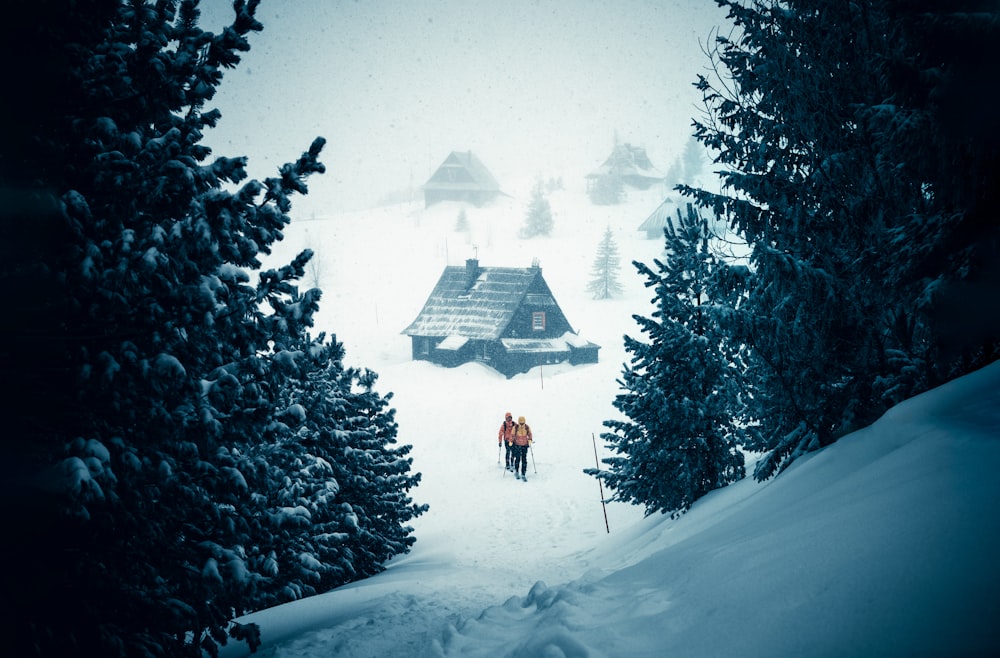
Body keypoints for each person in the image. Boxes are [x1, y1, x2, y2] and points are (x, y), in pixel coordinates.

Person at [511, 415, 532, 480]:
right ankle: (516, 472)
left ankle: (523, 473)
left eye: (523, 423)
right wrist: (511, 441)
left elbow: (530, 434)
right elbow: (512, 435)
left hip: (524, 446)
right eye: (521, 423)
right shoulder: (516, 427)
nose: (522, 424)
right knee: (517, 459)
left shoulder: (527, 427)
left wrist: (530, 440)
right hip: (517, 445)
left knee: (524, 460)